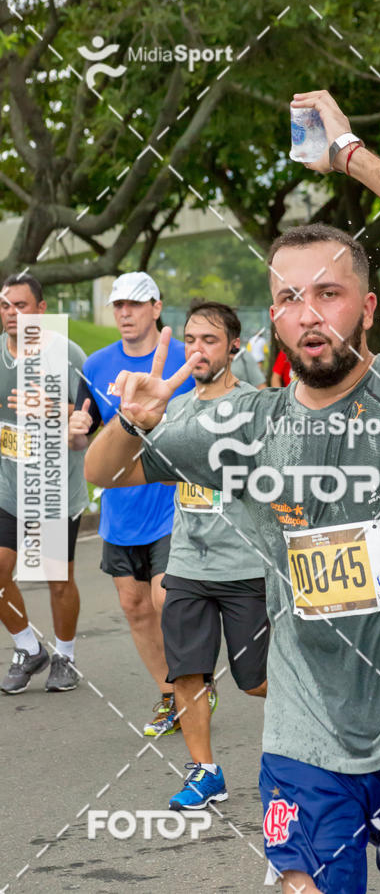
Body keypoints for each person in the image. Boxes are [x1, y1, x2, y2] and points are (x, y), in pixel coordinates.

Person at [85, 89, 380, 894]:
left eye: (328, 292)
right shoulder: (243, 423)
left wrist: (348, 153)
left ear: (370, 309)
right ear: (273, 321)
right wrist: (128, 420)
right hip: (308, 723)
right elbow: (106, 472)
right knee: (304, 886)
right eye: (287, 297)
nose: (309, 313)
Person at [68, 271, 195, 735]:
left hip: (173, 503)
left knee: (168, 601)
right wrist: (76, 435)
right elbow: (84, 433)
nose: (125, 312)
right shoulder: (98, 365)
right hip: (121, 509)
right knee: (135, 606)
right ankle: (170, 697)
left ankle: (192, 687)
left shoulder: (185, 359)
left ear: (156, 308)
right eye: (119, 304)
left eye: (135, 304)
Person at [160, 299, 269, 810]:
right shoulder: (176, 408)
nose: (197, 349)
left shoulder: (255, 408)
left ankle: (326, 732)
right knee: (187, 672)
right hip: (187, 563)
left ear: (233, 346)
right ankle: (206, 772)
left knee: (256, 682)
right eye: (190, 339)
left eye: (208, 340)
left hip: (246, 567)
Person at [0, 274, 88, 694]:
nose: (11, 314)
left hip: (52, 485)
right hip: (7, 484)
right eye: (4, 306)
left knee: (57, 579)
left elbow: (87, 420)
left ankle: (65, 656)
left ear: (40, 309)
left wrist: (51, 409)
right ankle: (28, 647)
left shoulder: (65, 353)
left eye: (20, 305)